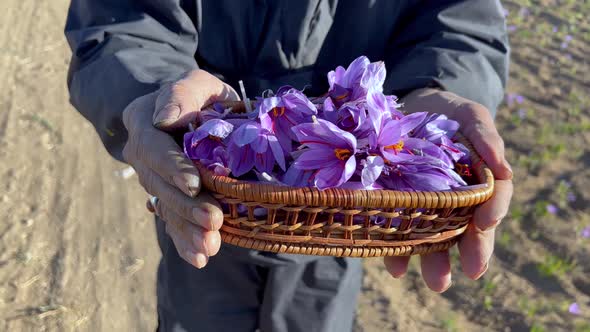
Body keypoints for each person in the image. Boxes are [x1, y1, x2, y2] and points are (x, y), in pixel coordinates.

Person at [65, 1, 514, 331]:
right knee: (196, 310)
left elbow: (461, 23)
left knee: (316, 315)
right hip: (209, 186)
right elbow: (123, 21)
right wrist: (154, 92)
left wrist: (437, 88)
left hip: (344, 213)